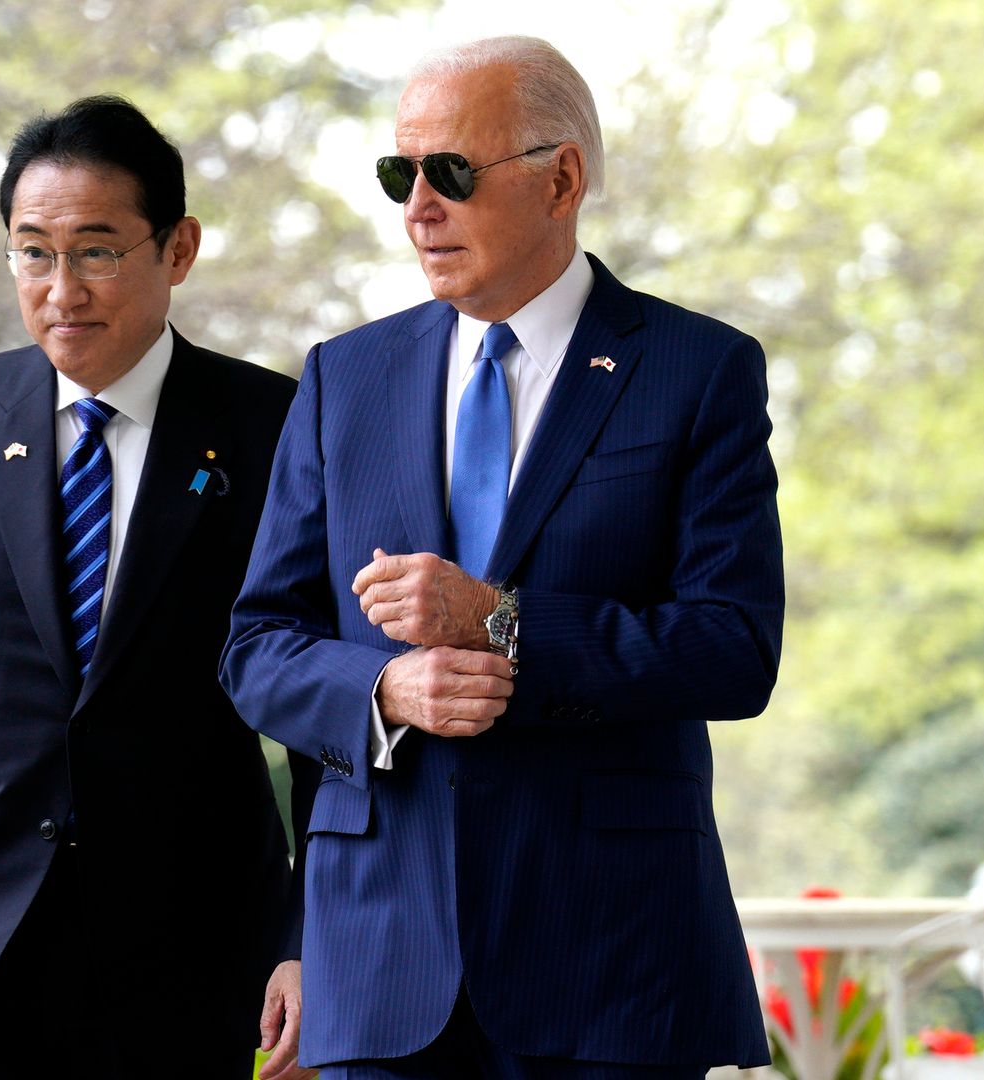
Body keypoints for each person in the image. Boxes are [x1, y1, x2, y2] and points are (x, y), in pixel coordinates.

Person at [221, 36, 781, 1079]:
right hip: (381, 968)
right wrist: (385, 686)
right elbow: (256, 648)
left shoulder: (698, 372)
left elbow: (734, 647)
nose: (417, 207)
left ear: (562, 177)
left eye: (452, 173)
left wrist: (500, 621)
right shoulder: (345, 378)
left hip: (609, 967)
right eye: (402, 173)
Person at [0, 95, 316, 1080]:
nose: (61, 287)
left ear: (178, 249)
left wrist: (305, 936)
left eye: (97, 250)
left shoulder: (270, 426)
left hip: (179, 966)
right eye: (32, 252)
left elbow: (316, 711)